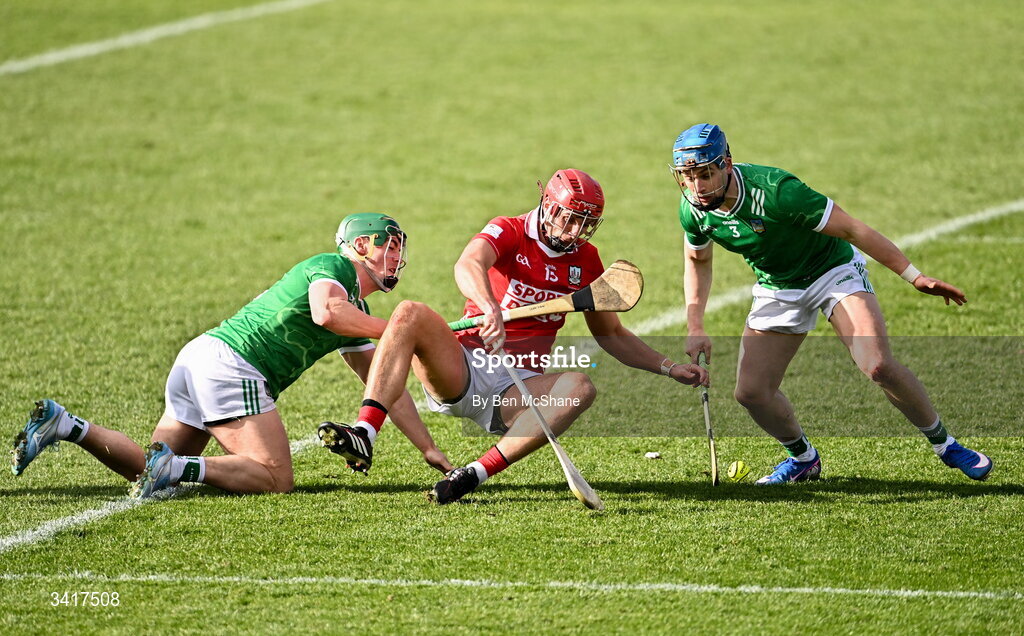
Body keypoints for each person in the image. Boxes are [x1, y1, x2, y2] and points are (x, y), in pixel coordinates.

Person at [317, 169, 709, 504]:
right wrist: (488, 307)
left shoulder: (586, 260)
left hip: (515, 389)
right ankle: (365, 431)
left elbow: (613, 336)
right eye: (570, 219)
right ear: (550, 206)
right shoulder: (510, 230)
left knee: (580, 386)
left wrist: (669, 366)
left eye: (585, 225)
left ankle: (473, 475)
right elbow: (468, 262)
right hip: (464, 365)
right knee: (409, 313)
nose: (575, 233)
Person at [11, 213, 452, 497]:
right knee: (276, 479)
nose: (396, 255)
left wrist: (427, 447)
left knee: (149, 469)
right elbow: (325, 312)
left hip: (203, 358)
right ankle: (177, 466)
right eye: (387, 244)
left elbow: (384, 385)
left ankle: (66, 425)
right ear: (359, 247)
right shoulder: (334, 269)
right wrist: (399, 330)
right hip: (232, 364)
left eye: (398, 248)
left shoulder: (361, 310)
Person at [671, 123, 992, 484]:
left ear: (727, 163)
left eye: (705, 174)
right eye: (688, 176)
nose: (697, 187)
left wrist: (914, 276)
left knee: (878, 366)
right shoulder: (694, 210)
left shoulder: (778, 191)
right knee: (751, 393)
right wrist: (695, 325)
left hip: (832, 269)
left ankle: (946, 445)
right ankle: (803, 458)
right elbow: (697, 261)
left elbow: (853, 229)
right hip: (779, 286)